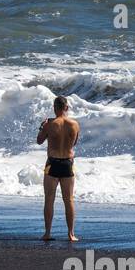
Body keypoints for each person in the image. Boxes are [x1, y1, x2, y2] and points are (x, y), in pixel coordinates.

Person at [37, 95, 79, 241]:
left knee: (49, 199)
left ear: (54, 108)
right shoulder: (74, 124)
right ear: (66, 108)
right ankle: (71, 234)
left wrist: (42, 127)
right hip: (68, 164)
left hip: (52, 164)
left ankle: (48, 233)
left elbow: (39, 141)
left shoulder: (49, 124)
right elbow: (74, 143)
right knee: (69, 200)